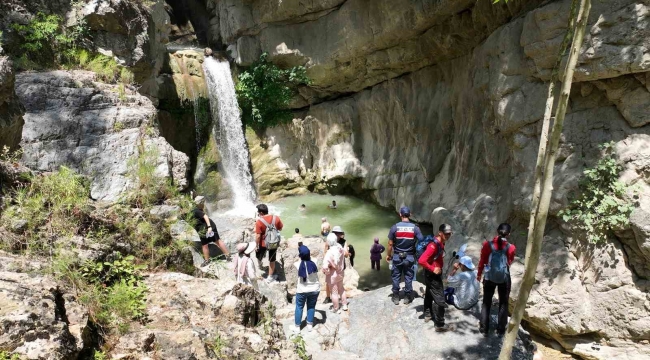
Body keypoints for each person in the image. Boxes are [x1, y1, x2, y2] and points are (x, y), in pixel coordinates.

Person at [478, 223, 516, 337]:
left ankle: (484, 329)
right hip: (504, 278)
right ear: (508, 234)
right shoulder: (511, 247)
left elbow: (482, 261)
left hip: (489, 276)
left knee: (486, 302)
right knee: (503, 303)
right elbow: (509, 261)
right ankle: (500, 330)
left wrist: (479, 274)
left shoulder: (487, 245)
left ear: (497, 231)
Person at [418, 223, 453, 332]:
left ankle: (428, 314)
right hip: (432, 274)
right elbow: (421, 260)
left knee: (429, 292)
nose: (448, 235)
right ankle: (439, 324)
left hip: (430, 274)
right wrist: (433, 269)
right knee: (440, 299)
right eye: (446, 233)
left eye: (449, 233)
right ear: (440, 233)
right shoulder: (433, 246)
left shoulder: (440, 242)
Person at [387, 206, 423, 305]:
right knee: (408, 277)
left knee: (396, 277)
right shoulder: (415, 228)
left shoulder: (395, 227)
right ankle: (407, 297)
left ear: (400, 214)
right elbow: (422, 241)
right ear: (410, 214)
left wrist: (388, 255)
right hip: (410, 257)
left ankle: (395, 297)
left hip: (397, 256)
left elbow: (390, 244)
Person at [192, 196, 230, 267]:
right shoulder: (185, 215)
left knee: (217, 241)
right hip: (202, 230)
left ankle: (228, 256)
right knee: (204, 245)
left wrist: (209, 227)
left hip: (210, 227)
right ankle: (207, 260)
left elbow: (205, 216)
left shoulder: (195, 211)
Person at [293, 245, 320, 334]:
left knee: (299, 307)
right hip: (314, 289)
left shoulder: (297, 264)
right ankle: (309, 325)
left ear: (300, 255)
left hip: (302, 290)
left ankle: (297, 327)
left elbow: (299, 260)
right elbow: (312, 258)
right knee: (311, 306)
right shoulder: (314, 261)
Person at [255, 204, 284, 283]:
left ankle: (260, 266)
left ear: (261, 213)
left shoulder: (259, 222)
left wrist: (256, 246)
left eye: (258, 213)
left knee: (258, 254)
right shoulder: (276, 218)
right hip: (273, 242)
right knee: (272, 260)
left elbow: (258, 236)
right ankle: (270, 277)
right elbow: (280, 228)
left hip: (263, 243)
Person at [323, 233, 348, 313]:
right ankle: (344, 305)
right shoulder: (340, 247)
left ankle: (336, 308)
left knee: (334, 292)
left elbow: (325, 267)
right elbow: (344, 254)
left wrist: (326, 272)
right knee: (341, 289)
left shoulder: (329, 253)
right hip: (340, 272)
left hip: (332, 275)